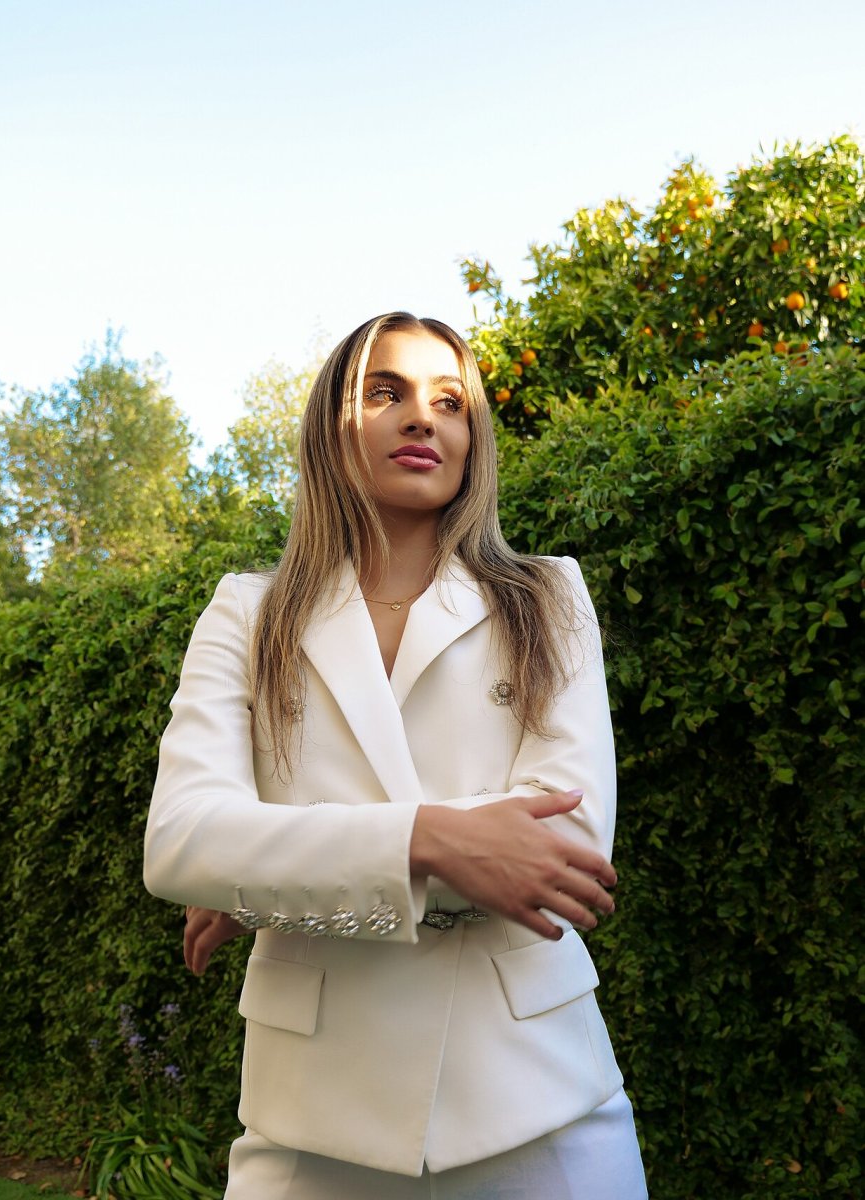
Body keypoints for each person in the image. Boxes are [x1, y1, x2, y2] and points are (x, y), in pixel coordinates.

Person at [144, 312, 648, 1198]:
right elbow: (184, 841)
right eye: (386, 392)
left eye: (450, 402)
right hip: (308, 1119)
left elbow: (566, 851)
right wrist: (431, 842)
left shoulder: (548, 596)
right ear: (331, 426)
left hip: (540, 1105)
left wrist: (276, 879)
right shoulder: (247, 612)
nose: (422, 417)